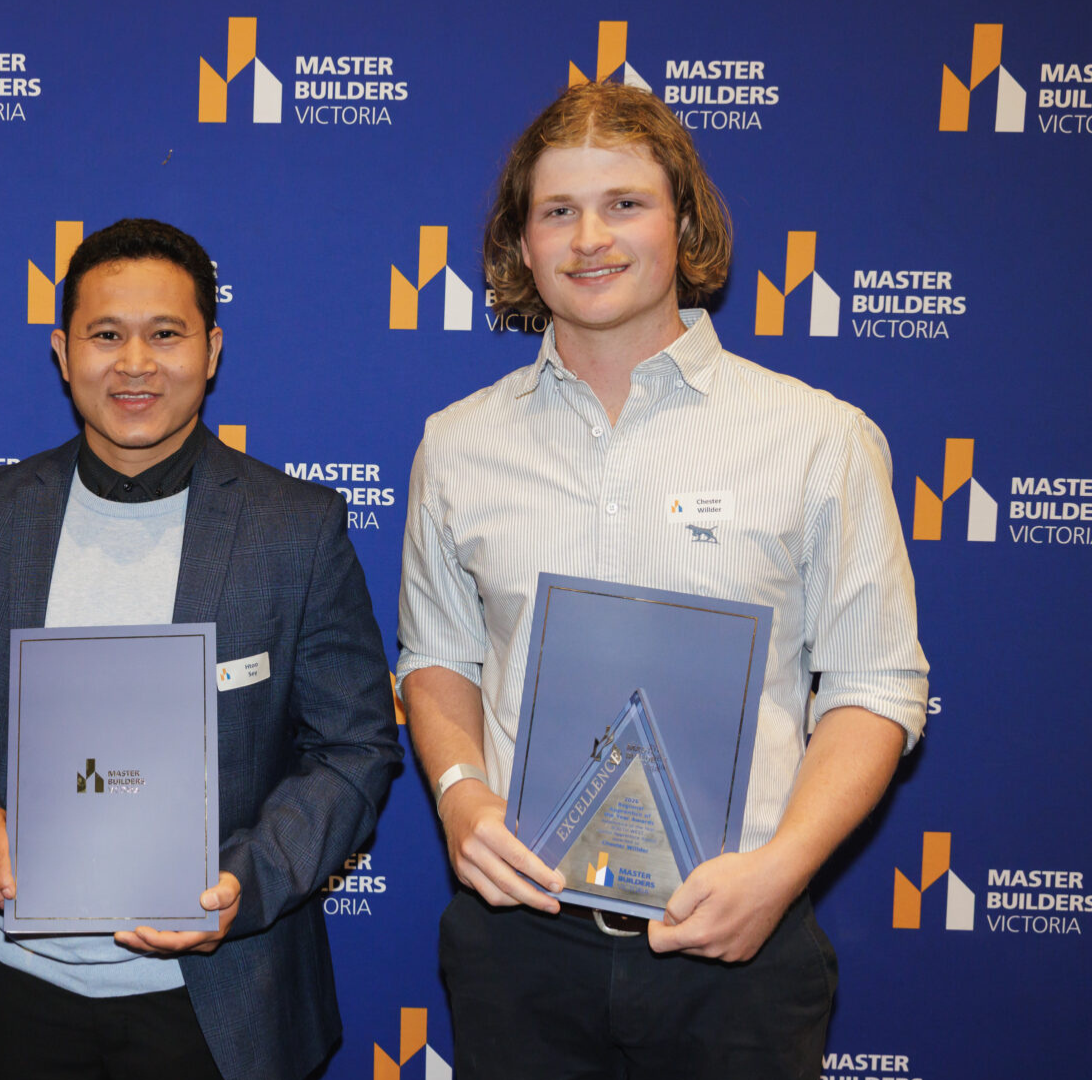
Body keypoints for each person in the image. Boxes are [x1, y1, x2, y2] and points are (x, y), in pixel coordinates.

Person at [397, 82, 928, 1079]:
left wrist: (781, 870)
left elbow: (875, 687)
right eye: (557, 211)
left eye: (624, 204)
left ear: (683, 224)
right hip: (520, 942)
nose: (589, 237)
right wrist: (463, 796)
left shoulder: (819, 439)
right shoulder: (458, 445)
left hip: (740, 949)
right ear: (519, 243)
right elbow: (436, 655)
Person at [0, 218, 401, 1080]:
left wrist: (246, 881)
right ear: (62, 349)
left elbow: (355, 747)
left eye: (166, 334)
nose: (136, 364)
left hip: (222, 1001)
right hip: (15, 989)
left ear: (213, 348)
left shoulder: (296, 531)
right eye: (106, 335)